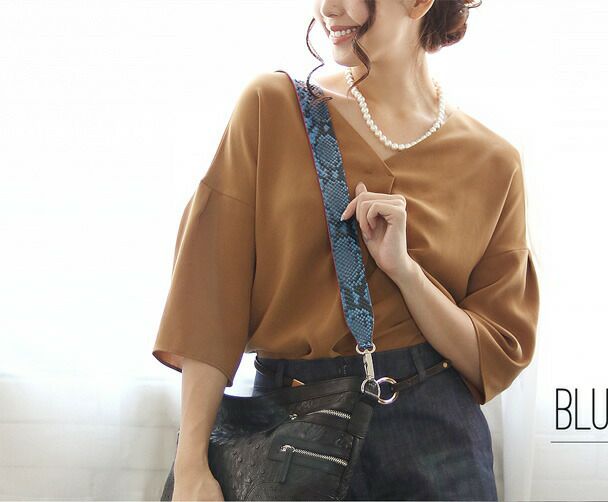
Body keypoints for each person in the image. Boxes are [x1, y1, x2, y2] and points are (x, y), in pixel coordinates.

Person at [152, 0, 540, 500]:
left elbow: (493, 355)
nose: (327, 7)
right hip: (290, 435)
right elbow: (208, 301)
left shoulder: (494, 162)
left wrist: (406, 273)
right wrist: (190, 464)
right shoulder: (273, 108)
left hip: (436, 440)